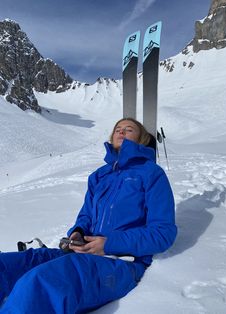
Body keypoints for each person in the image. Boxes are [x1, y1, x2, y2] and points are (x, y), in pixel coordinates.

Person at [0, 118, 177, 314]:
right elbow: (86, 216)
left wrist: (108, 244)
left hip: (122, 263)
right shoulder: (100, 176)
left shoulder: (151, 174)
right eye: (118, 129)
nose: (121, 132)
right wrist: (78, 232)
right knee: (7, 265)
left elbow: (163, 233)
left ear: (142, 139)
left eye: (129, 129)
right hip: (83, 253)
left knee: (41, 282)